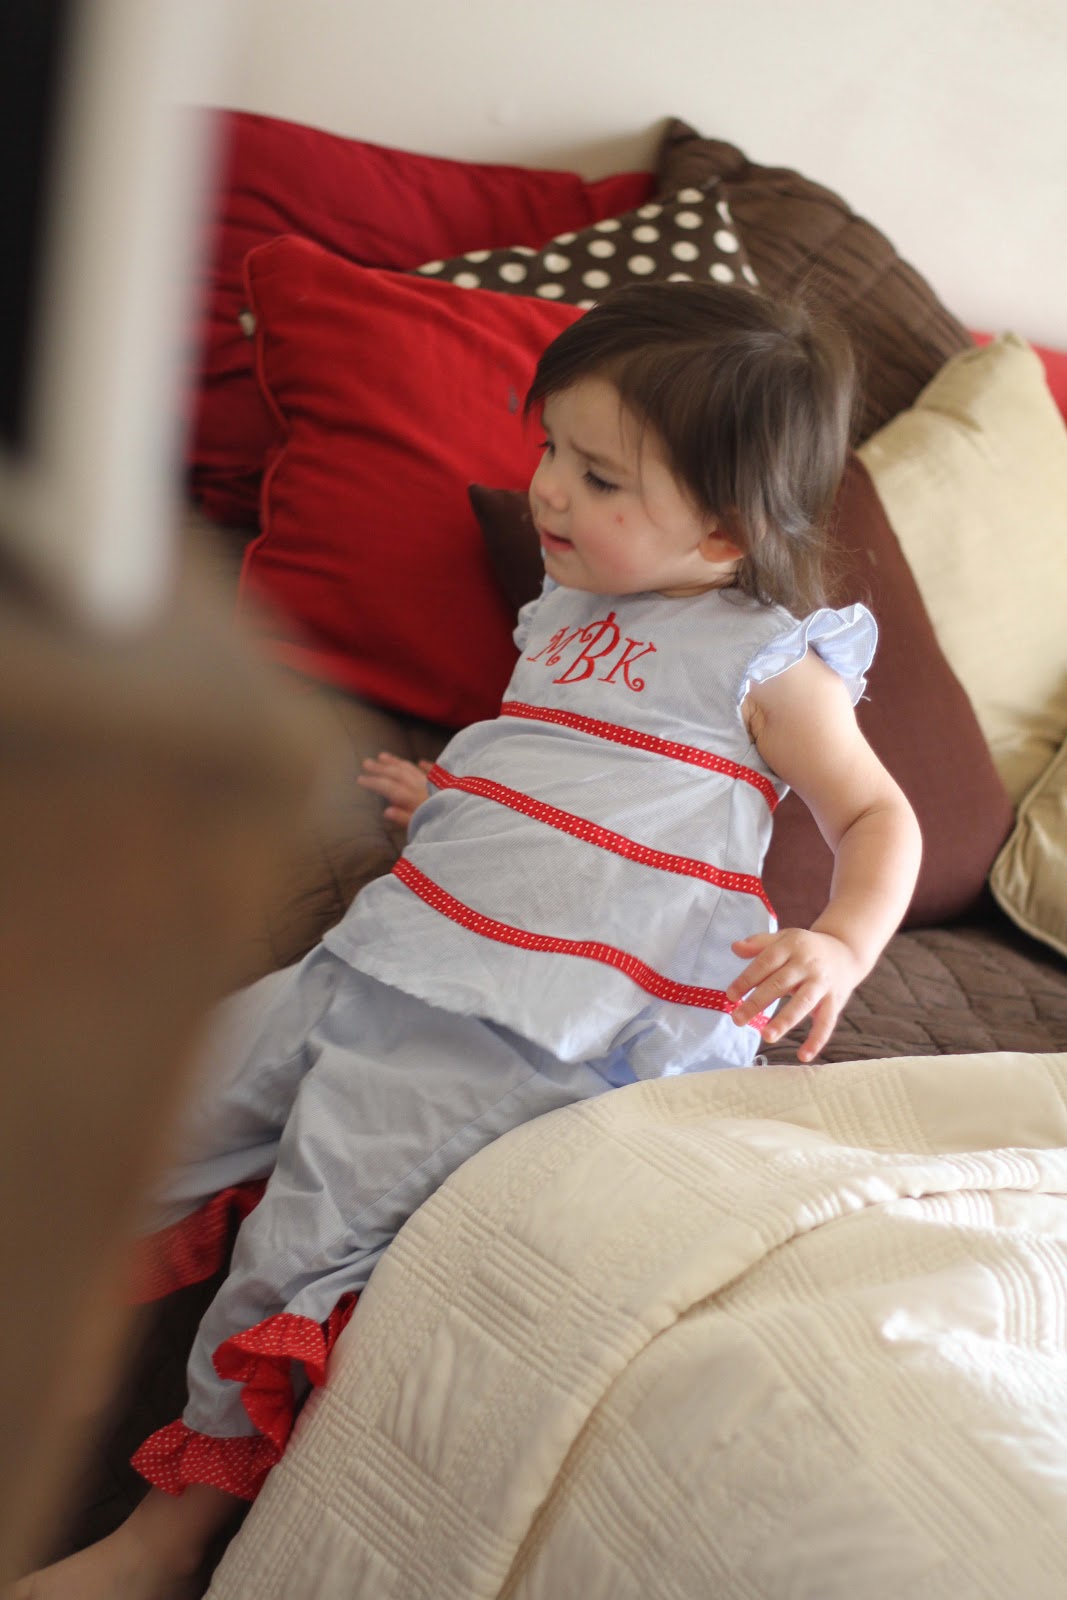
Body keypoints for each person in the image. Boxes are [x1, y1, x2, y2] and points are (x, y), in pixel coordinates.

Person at [17, 282, 921, 1599]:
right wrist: (455, 796)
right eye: (550, 447)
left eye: (598, 477)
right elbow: (579, 773)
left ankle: (163, 1541)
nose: (547, 488)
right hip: (391, 946)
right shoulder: (565, 608)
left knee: (303, 1243)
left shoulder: (770, 661)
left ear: (726, 533)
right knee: (144, 1106)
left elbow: (878, 815)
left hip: (522, 1022)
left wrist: (840, 942)